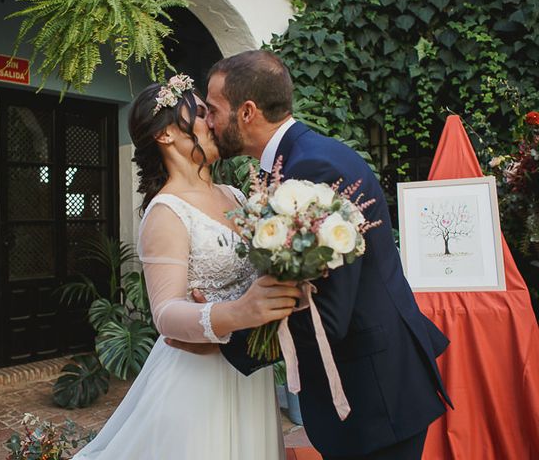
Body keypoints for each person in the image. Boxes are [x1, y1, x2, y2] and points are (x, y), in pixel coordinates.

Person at [173, 50, 453, 460]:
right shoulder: (298, 160)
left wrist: (224, 334)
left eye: (213, 110)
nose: (208, 122)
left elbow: (327, 315)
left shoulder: (313, 170)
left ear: (247, 111)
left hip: (372, 394)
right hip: (370, 388)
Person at [72, 74, 302, 460]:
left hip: (248, 370)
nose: (212, 121)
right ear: (164, 135)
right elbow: (164, 313)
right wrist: (235, 312)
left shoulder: (236, 196)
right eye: (199, 113)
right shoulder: (166, 211)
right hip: (198, 381)